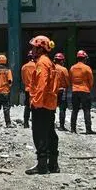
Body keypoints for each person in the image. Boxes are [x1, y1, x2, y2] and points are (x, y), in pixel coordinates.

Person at [25, 34, 59, 174]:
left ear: (40, 48)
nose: (32, 50)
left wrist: (36, 103)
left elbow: (41, 85)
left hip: (42, 105)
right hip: (49, 104)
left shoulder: (42, 63)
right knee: (50, 133)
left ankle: (42, 165)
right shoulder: (48, 61)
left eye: (34, 47)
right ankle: (53, 164)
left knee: (40, 134)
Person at [69, 50, 95, 134]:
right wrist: (88, 88)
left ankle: (73, 129)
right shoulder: (87, 68)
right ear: (85, 59)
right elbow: (91, 80)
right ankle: (88, 129)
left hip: (75, 90)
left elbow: (70, 79)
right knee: (86, 110)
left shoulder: (72, 68)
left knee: (75, 110)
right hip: (85, 90)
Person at [53, 52, 71, 131]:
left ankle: (51, 125)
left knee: (51, 109)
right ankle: (61, 126)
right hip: (62, 91)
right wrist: (67, 86)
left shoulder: (51, 68)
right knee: (62, 109)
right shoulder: (64, 69)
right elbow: (67, 81)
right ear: (61, 61)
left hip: (53, 91)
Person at [20, 54, 35, 128]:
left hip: (27, 89)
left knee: (27, 106)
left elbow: (23, 79)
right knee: (36, 107)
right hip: (36, 90)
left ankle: (26, 123)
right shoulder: (37, 65)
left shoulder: (24, 67)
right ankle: (35, 124)